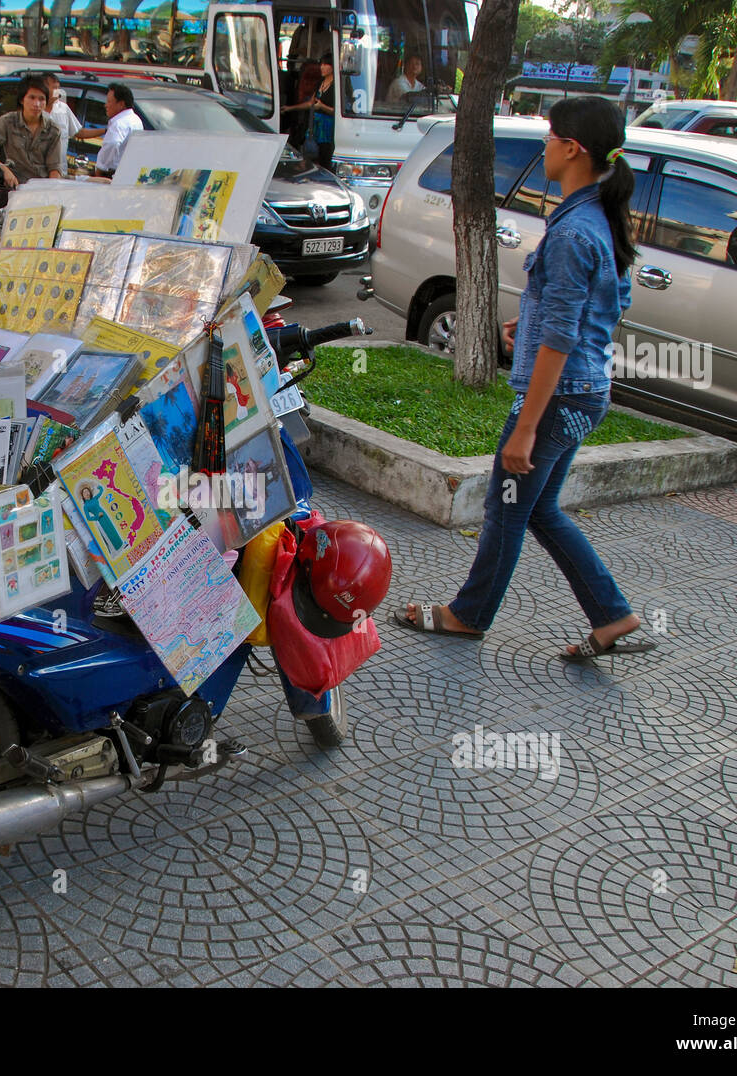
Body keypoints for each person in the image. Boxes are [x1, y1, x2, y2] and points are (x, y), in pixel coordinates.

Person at [393, 96, 657, 663]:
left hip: (557, 400)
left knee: (507, 506)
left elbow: (563, 338)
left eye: (550, 136)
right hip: (585, 392)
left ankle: (467, 616)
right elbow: (602, 305)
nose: (545, 145)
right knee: (539, 510)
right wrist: (531, 322)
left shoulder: (574, 230)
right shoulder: (597, 219)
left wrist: (525, 429)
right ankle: (614, 616)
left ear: (572, 149)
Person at [0, 75, 62, 187]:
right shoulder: (7, 122)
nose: (37, 104)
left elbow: (54, 169)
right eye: (32, 98)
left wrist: (51, 191)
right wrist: (3, 169)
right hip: (13, 188)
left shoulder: (53, 130)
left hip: (40, 190)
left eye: (41, 99)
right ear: (22, 100)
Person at [281, 54, 335, 170]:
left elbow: (337, 112)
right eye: (321, 64)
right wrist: (290, 108)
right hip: (313, 126)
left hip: (327, 130)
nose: (321, 67)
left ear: (333, 67)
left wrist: (322, 107)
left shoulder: (337, 86)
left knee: (325, 159)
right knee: (309, 155)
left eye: (325, 64)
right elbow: (310, 103)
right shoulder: (320, 81)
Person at [78, 83, 143, 176]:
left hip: (112, 174)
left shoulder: (119, 124)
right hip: (129, 172)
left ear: (121, 104)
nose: (105, 105)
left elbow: (112, 143)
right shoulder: (136, 120)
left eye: (109, 101)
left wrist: (100, 169)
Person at [43, 72, 82, 177]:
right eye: (54, 88)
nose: (58, 92)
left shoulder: (63, 109)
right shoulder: (34, 111)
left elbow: (78, 132)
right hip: (39, 174)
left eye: (58, 88)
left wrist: (104, 131)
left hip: (60, 173)